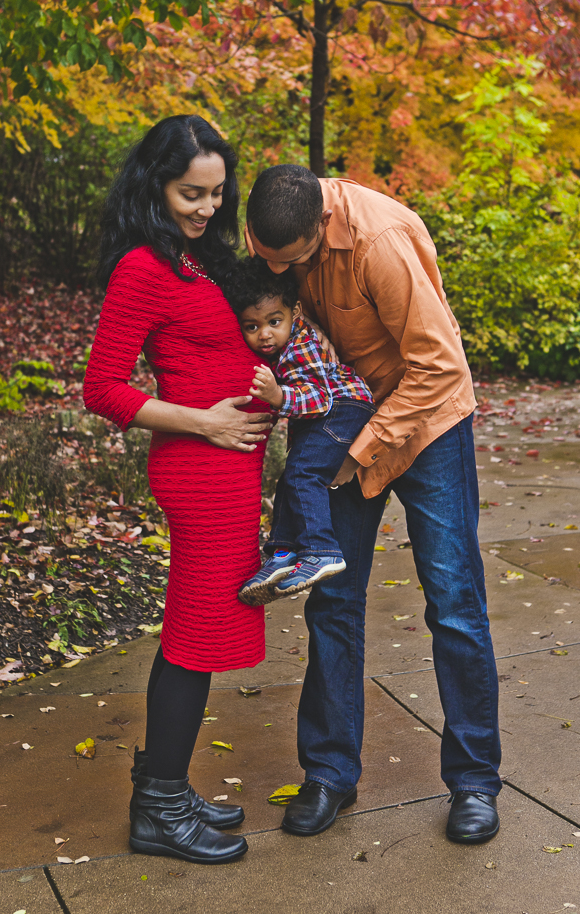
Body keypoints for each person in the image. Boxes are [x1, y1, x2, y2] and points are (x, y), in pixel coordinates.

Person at [245, 164, 501, 845]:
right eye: (267, 259)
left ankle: (474, 782)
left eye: (290, 262)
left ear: (319, 229)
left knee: (452, 601)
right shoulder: (273, 231)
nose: (278, 270)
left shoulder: (381, 241)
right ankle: (329, 773)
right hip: (342, 415)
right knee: (332, 594)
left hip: (426, 422)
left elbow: (439, 367)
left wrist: (365, 449)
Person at [83, 116, 273, 865]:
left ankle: (165, 786)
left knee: (196, 638)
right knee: (193, 642)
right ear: (155, 184)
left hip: (228, 470)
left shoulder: (193, 261)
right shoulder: (142, 267)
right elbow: (102, 390)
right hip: (198, 470)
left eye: (216, 194)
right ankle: (157, 808)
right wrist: (204, 422)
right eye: (189, 192)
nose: (205, 207)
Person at [222, 258, 375, 603]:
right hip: (334, 412)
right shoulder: (283, 344)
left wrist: (278, 396)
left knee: (304, 474)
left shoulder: (301, 343)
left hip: (345, 408)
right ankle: (282, 553)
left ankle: (322, 550)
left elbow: (320, 399)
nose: (264, 334)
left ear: (295, 312)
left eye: (274, 321)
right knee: (290, 477)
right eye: (251, 326)